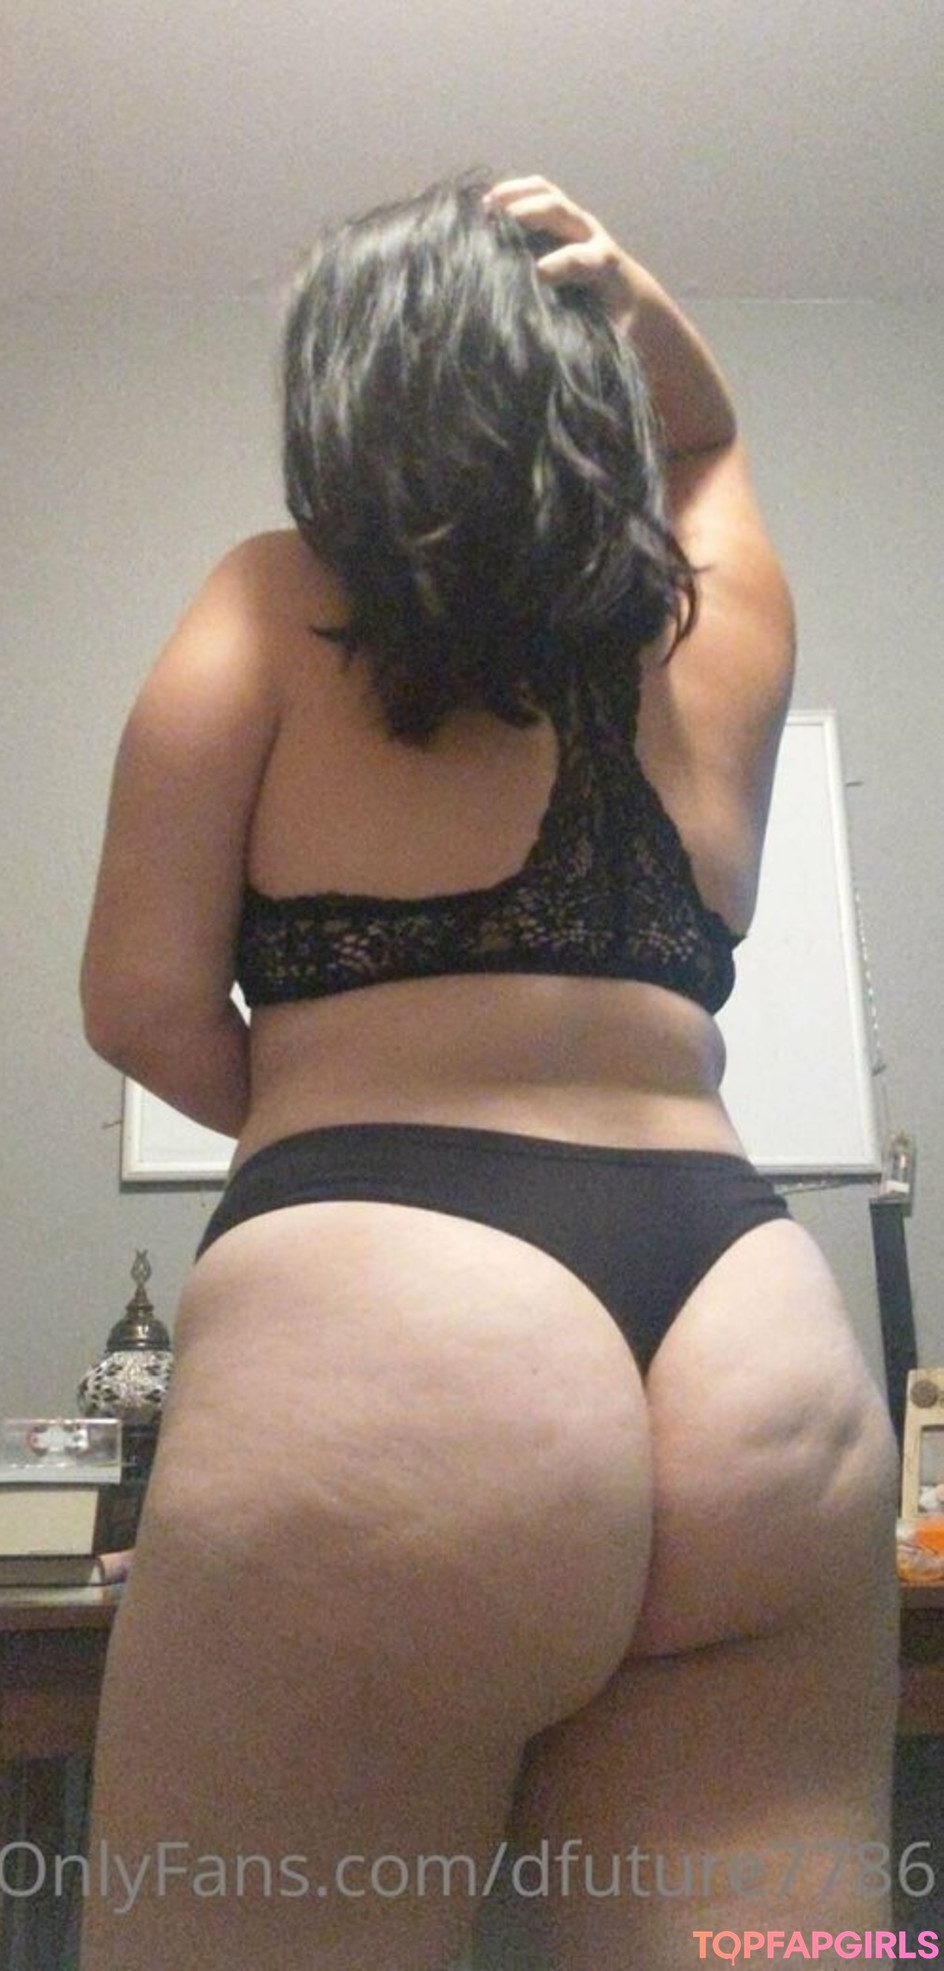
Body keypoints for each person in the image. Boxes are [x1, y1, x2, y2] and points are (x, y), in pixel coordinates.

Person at [78, 175, 898, 1971]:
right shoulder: (709, 622)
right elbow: (711, 442)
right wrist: (632, 300)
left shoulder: (271, 596)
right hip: (754, 1340)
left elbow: (141, 1006)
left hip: (393, 1340)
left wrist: (333, 1125)